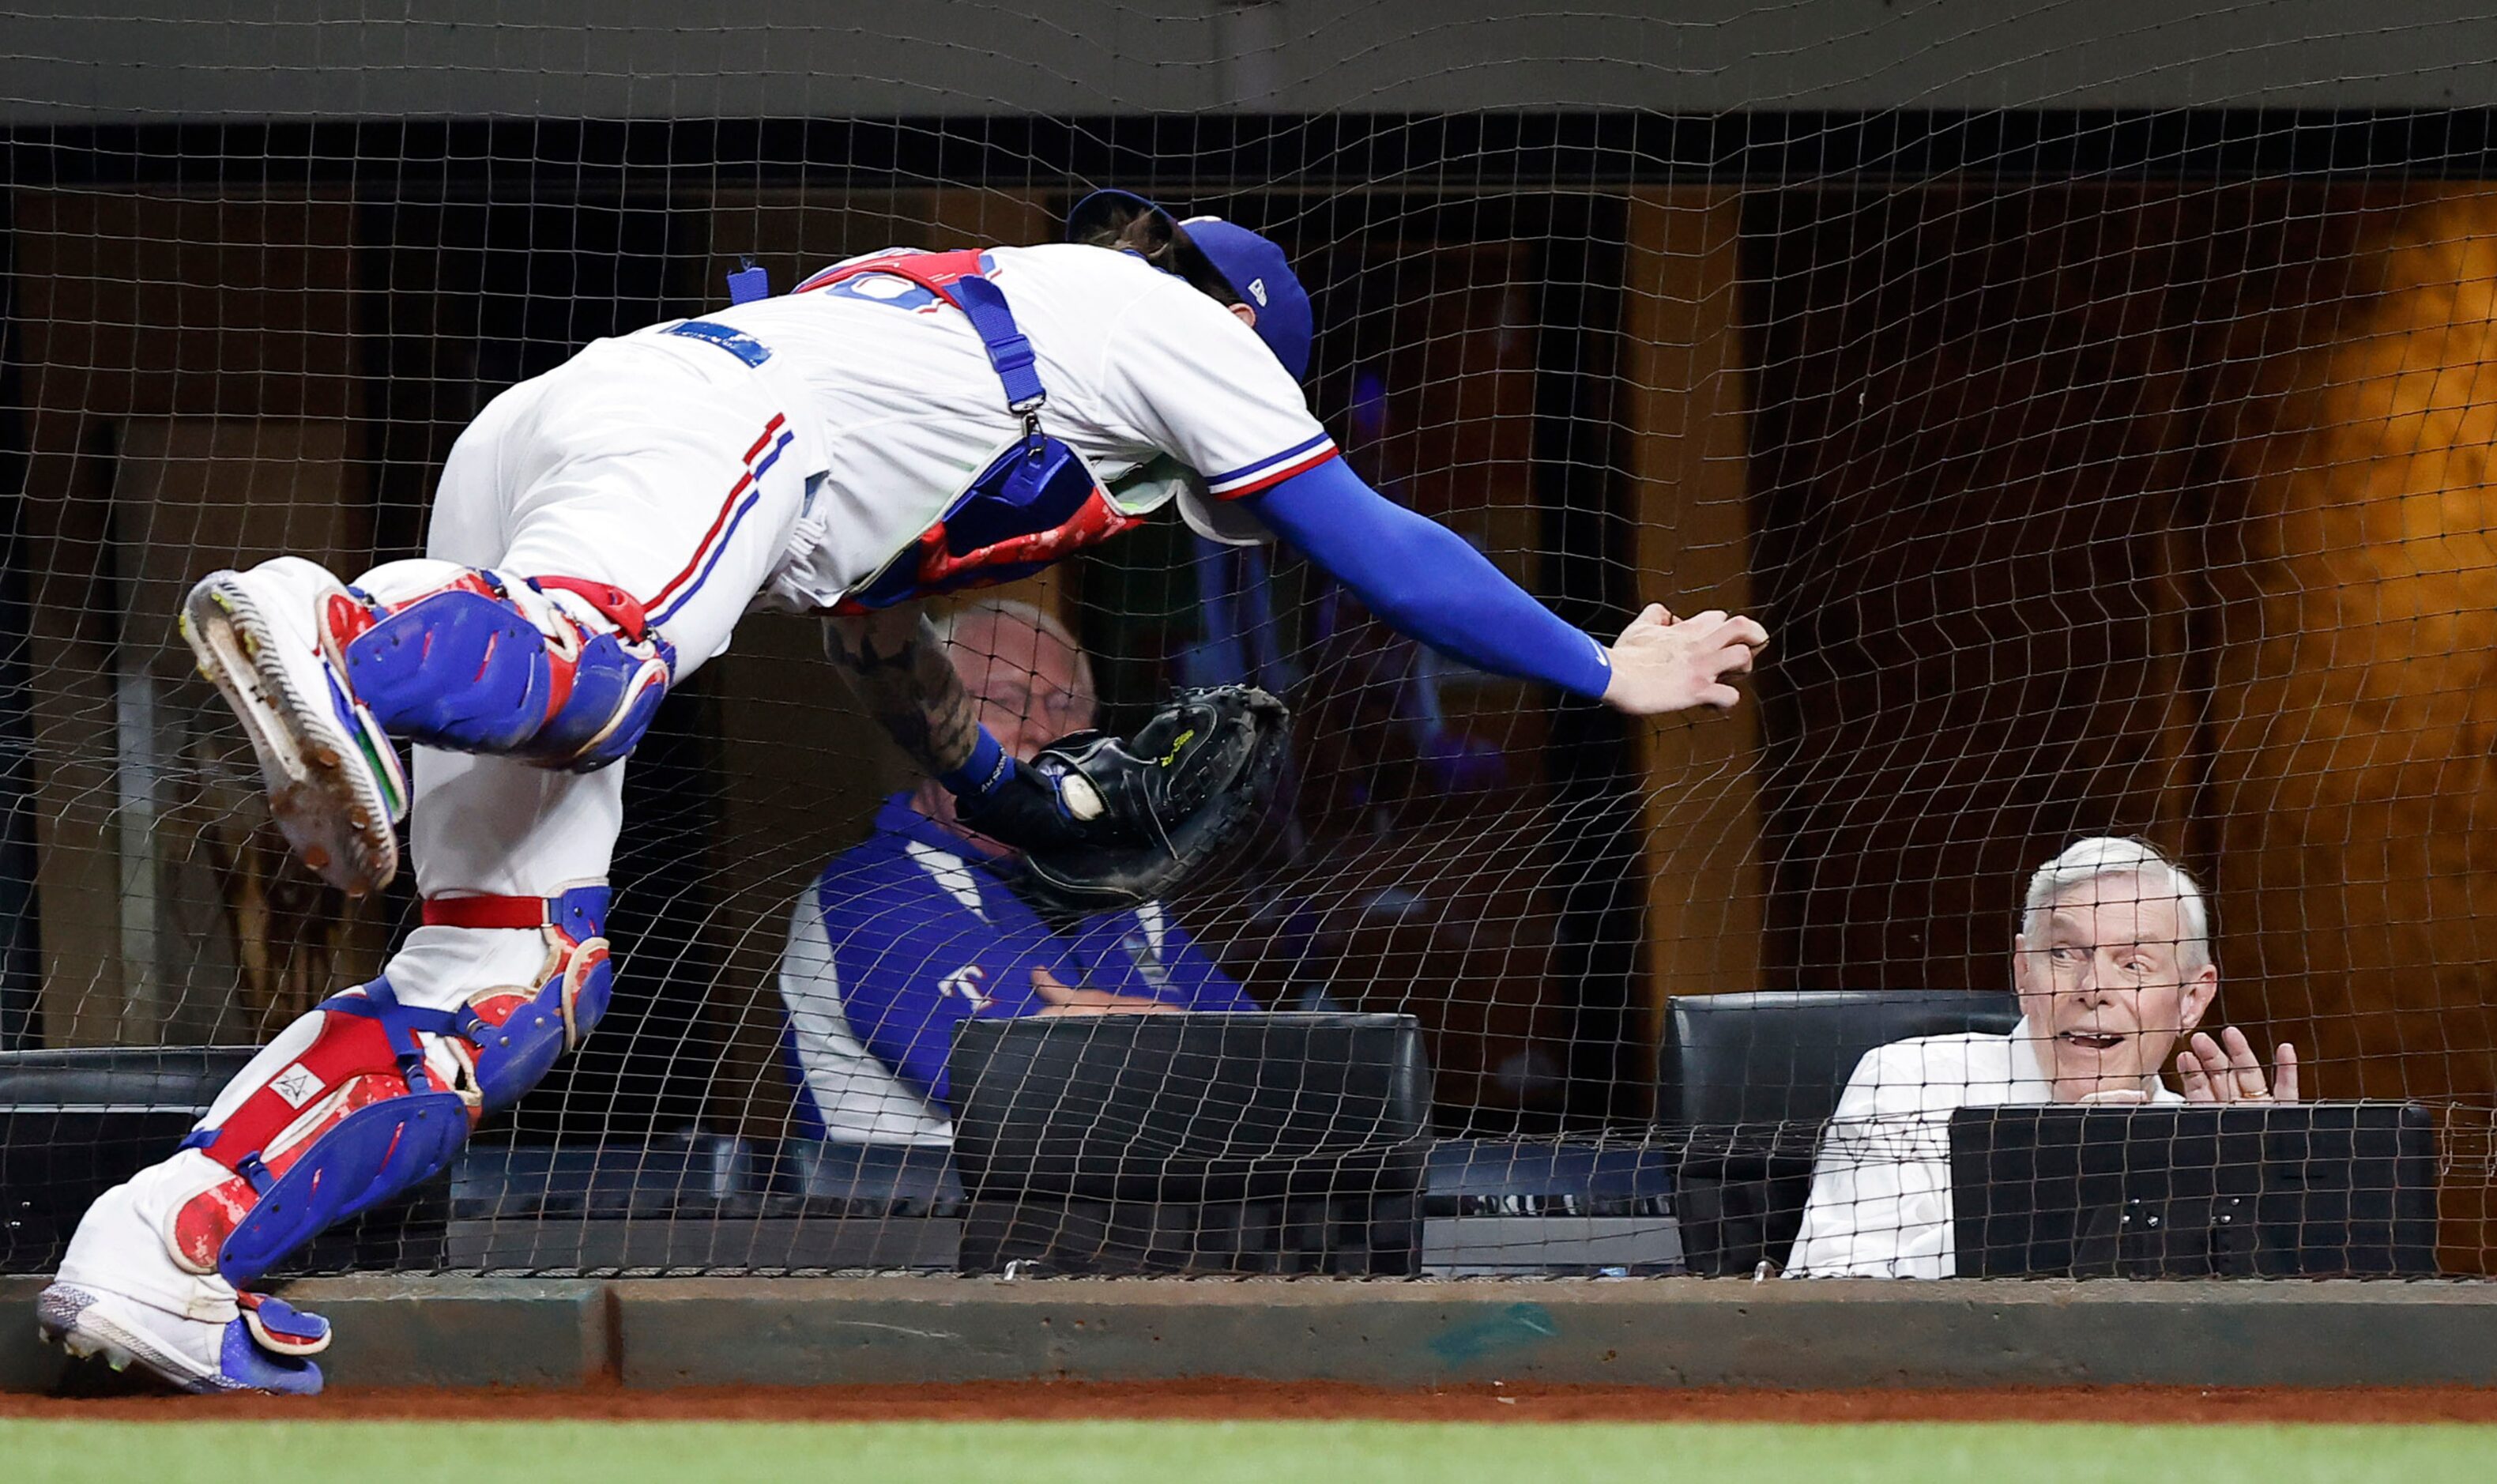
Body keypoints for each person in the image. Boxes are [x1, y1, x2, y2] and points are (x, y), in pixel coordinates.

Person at [40, 190, 1767, 1392]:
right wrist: (1606, 669)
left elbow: (881, 664)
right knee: (606, 664)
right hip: (699, 437)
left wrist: (1021, 804)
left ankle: (167, 1244)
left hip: (588, 433)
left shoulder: (965, 372)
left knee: (516, 973)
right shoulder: (1174, 321)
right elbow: (1375, 541)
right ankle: (346, 627)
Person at [778, 599, 1251, 1146]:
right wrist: (1183, 1043)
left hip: (1128, 1222)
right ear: (927, 721)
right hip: (923, 1226)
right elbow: (1062, 1104)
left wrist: (1150, 1045)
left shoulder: (1119, 891)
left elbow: (1286, 1074)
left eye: (1068, 704)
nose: (1045, 730)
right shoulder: (869, 900)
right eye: (1005, 699)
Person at [1785, 837, 2301, 1279]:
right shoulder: (1909, 1082)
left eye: (2134, 964)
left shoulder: (2203, 1137)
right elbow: (1821, 1289)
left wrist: (2268, 1188)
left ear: (2192, 998)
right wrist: (2055, 1186)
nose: (2093, 988)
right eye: (2064, 954)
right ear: (2023, 973)